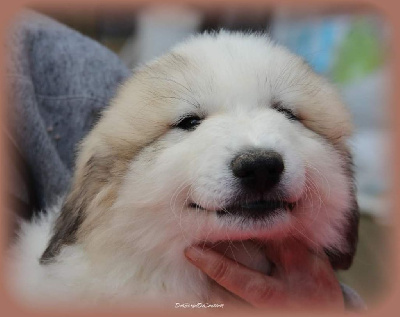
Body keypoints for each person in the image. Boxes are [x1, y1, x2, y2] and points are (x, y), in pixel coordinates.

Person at [6, 11, 364, 311]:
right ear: (100, 189)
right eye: (188, 121)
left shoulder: (71, 73)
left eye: (287, 112)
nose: (259, 161)